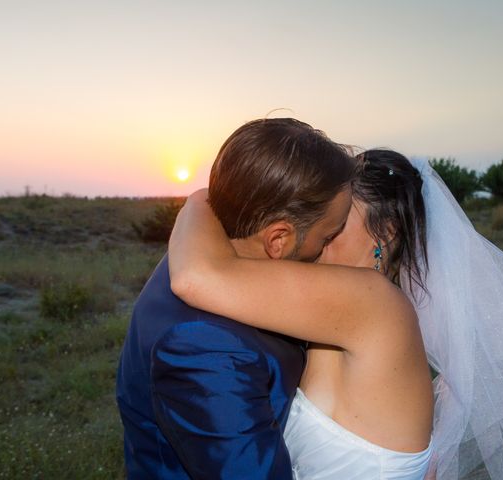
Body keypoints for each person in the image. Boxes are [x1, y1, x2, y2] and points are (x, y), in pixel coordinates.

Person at [170, 149, 503, 479]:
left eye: (334, 224)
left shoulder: (370, 303)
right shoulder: (359, 309)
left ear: (385, 232)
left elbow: (197, 276)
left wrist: (202, 198)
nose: (317, 232)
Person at [116, 118, 356, 479]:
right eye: (326, 237)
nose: (328, 250)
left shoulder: (202, 252)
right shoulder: (206, 347)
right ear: (279, 240)